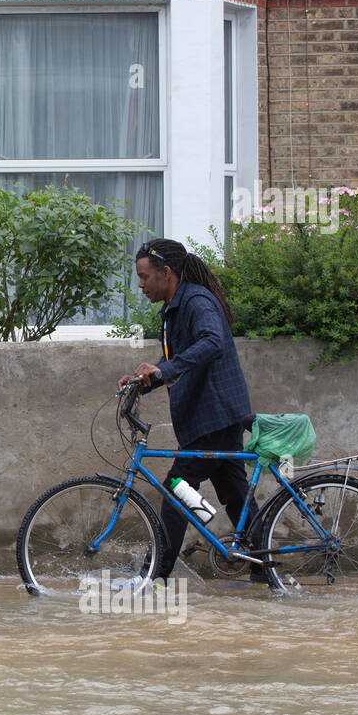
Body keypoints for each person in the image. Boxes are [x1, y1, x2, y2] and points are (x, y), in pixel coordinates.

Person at [117, 237, 260, 584]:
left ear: (166, 273)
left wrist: (163, 370)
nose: (140, 285)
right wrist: (147, 378)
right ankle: (267, 571)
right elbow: (181, 360)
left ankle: (153, 576)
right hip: (212, 416)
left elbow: (212, 342)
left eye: (144, 276)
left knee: (176, 489)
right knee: (236, 496)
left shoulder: (197, 302)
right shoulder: (174, 308)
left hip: (214, 414)